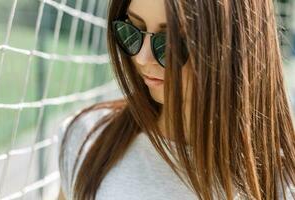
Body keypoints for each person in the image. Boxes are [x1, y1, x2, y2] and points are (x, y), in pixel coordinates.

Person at [58, 0, 295, 199]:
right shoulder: (87, 140)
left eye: (170, 42)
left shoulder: (280, 183)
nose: (142, 58)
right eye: (131, 29)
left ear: (232, 46)